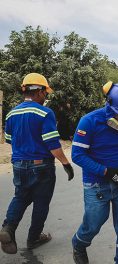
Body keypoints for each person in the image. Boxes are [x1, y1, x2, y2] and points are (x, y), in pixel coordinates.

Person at [0, 73, 74, 254]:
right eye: (45, 92)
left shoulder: (11, 113)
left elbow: (9, 139)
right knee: (41, 202)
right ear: (39, 91)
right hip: (41, 165)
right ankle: (33, 238)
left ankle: (8, 228)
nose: (46, 96)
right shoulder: (45, 113)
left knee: (20, 196)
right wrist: (66, 164)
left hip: (18, 164)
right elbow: (53, 145)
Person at [71, 81, 118, 264]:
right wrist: (105, 171)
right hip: (97, 184)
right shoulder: (89, 121)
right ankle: (78, 245)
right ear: (109, 104)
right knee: (93, 225)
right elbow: (77, 155)